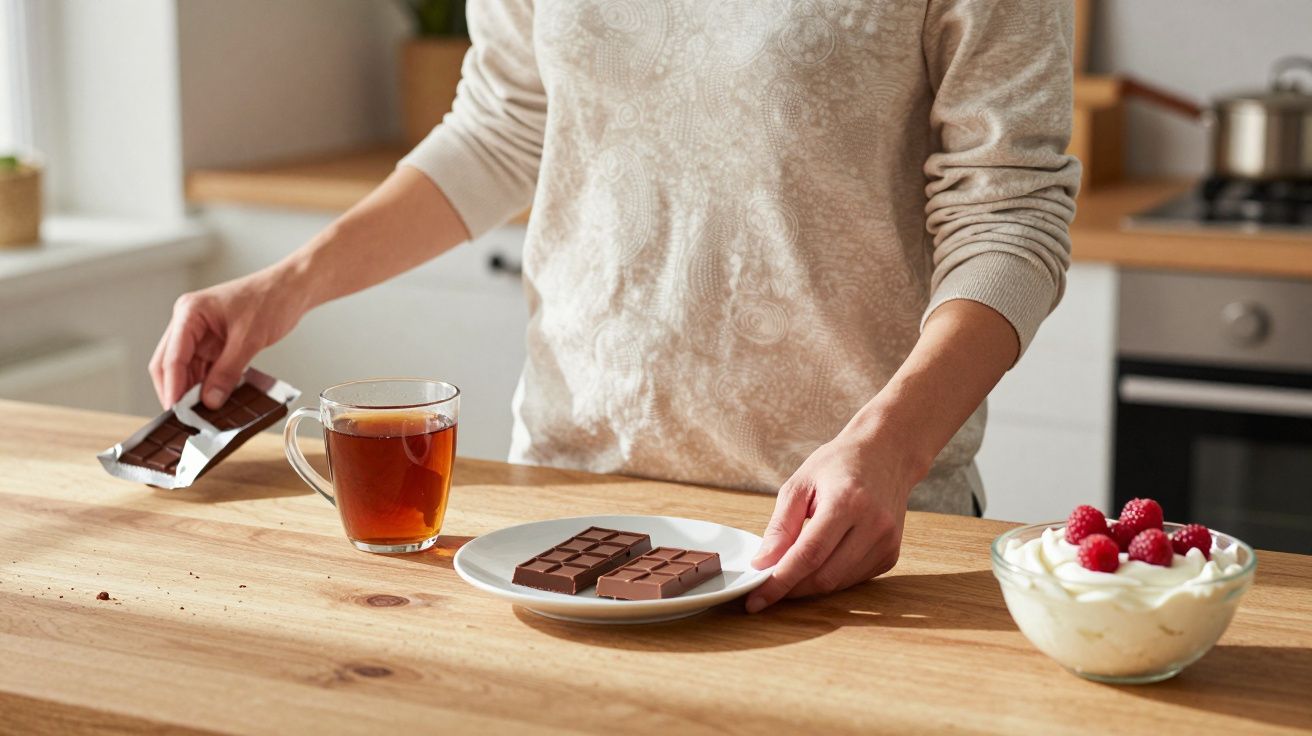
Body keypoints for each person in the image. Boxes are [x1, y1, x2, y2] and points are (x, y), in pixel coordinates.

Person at [151, 0, 1079, 613]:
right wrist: (282, 288)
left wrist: (891, 443)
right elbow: (505, 124)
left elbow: (1012, 211)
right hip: (565, 497)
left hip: (835, 534)